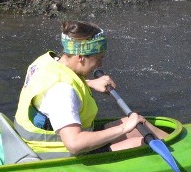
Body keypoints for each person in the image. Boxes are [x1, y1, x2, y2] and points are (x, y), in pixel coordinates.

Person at [13, 20, 167, 157]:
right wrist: (124, 128)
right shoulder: (63, 92)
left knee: (139, 125)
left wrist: (90, 83)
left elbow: (50, 90)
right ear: (80, 57)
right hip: (54, 153)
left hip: (40, 140)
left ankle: (177, 145)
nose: (100, 65)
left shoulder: (46, 62)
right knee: (140, 142)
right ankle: (181, 159)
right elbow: (75, 144)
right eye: (98, 59)